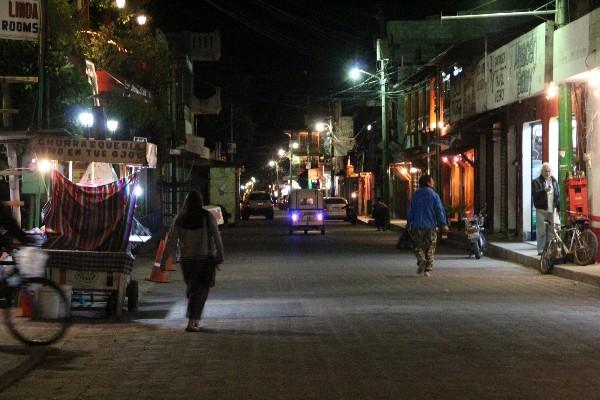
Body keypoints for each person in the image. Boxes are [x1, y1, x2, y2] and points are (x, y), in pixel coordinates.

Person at [160, 191, 224, 332]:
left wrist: (164, 261)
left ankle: (194, 321)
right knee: (201, 291)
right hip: (204, 259)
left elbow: (171, 241)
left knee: (193, 289)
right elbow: (216, 237)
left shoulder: (180, 219)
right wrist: (220, 254)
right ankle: (192, 321)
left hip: (186, 261)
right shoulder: (207, 217)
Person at [407, 175, 449, 277]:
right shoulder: (434, 195)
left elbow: (411, 210)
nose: (433, 183)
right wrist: (443, 224)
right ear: (428, 182)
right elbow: (439, 211)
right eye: (432, 181)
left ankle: (421, 259)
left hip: (417, 225)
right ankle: (427, 270)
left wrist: (409, 222)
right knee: (430, 247)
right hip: (431, 226)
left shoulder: (415, 195)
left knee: (418, 246)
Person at [532, 162, 560, 255]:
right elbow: (535, 194)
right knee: (542, 231)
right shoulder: (536, 181)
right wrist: (543, 190)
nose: (547, 173)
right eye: (545, 171)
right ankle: (540, 250)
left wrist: (558, 207)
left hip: (551, 210)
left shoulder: (554, 181)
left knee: (551, 231)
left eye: (549, 171)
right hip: (541, 209)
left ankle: (549, 249)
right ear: (542, 171)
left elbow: (557, 194)